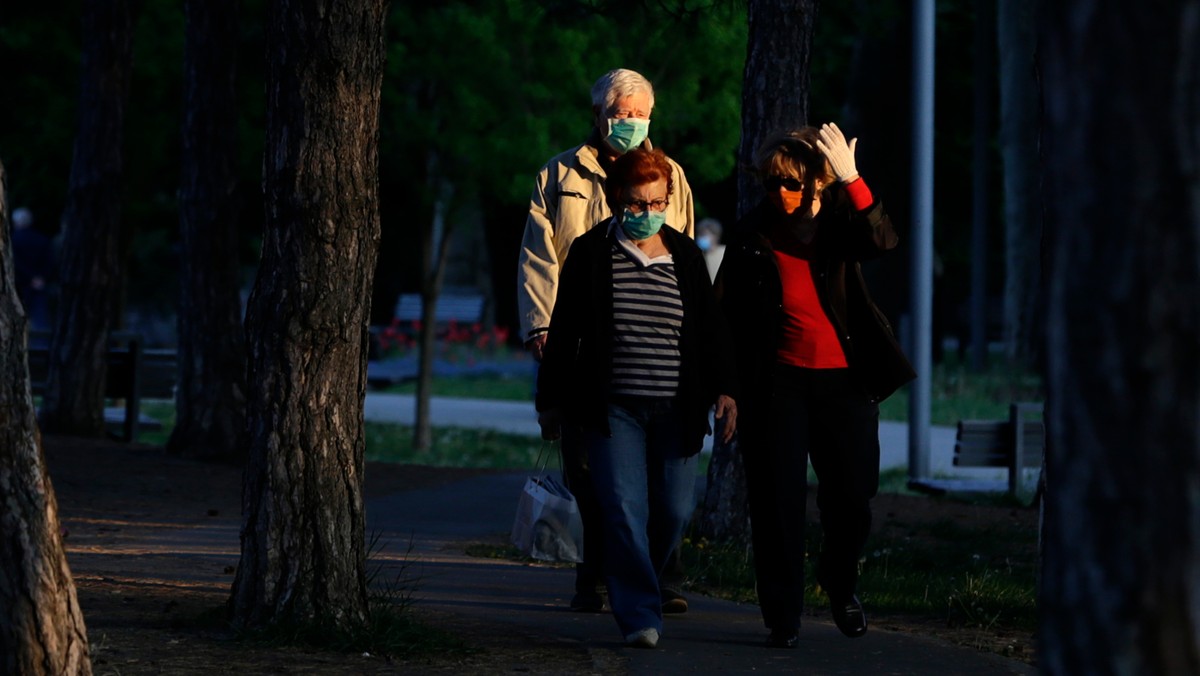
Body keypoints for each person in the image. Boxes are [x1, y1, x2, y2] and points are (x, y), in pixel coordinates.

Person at [714, 124, 914, 648]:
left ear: (817, 184)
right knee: (777, 501)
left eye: (794, 184)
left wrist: (853, 178)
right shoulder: (751, 233)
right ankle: (783, 616)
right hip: (777, 383)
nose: (782, 194)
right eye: (774, 182)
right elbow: (727, 316)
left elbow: (883, 239)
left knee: (852, 498)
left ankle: (840, 583)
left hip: (844, 382)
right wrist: (728, 388)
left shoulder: (840, 224)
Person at [536, 147, 737, 648]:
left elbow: (712, 333)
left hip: (676, 407)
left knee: (672, 510)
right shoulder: (590, 252)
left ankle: (632, 572)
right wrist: (551, 401)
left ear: (668, 201)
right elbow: (565, 332)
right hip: (613, 410)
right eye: (634, 204)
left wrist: (727, 390)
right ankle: (640, 613)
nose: (645, 214)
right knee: (623, 507)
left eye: (655, 204)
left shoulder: (687, 256)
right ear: (614, 199)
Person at [517, 68, 695, 614]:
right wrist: (540, 326)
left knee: (660, 475)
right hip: (577, 342)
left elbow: (683, 249)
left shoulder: (670, 175)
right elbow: (538, 255)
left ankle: (662, 575)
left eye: (642, 115)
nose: (632, 124)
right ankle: (592, 574)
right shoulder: (559, 173)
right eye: (623, 114)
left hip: (651, 340)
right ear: (599, 115)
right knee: (587, 467)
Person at [11, 207, 54, 332]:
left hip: (20, 284)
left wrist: (29, 277)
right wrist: (41, 278)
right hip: (39, 285)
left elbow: (16, 264)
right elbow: (50, 262)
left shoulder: (13, 241)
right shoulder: (42, 239)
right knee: (40, 323)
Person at [694, 217, 725, 282]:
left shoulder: (724, 252)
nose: (700, 237)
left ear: (715, 236)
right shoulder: (697, 255)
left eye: (704, 234)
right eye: (699, 234)